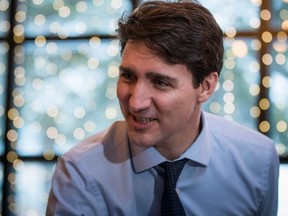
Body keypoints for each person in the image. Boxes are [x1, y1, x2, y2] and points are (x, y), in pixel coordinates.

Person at [46, 1, 279, 215]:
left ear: (206, 87)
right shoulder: (80, 173)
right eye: (128, 76)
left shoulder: (258, 160)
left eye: (160, 82)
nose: (136, 103)